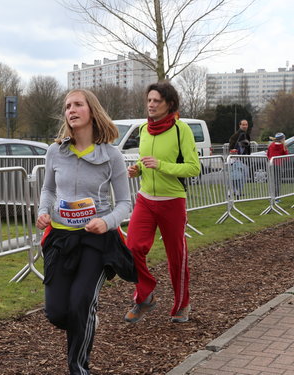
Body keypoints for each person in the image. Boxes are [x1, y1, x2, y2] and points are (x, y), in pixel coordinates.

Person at [36, 89, 137, 375]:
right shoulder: (55, 151)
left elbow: (125, 203)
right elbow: (48, 189)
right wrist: (43, 211)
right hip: (61, 238)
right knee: (57, 313)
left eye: (78, 104)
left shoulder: (112, 155)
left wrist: (106, 222)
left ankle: (78, 368)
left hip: (96, 241)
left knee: (80, 301)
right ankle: (86, 320)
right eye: (67, 106)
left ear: (91, 110)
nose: (71, 110)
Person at [124, 81, 200, 324]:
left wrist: (161, 166)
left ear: (170, 104)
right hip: (145, 199)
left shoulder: (182, 130)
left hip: (172, 201)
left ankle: (182, 304)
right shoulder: (144, 130)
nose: (151, 104)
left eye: (157, 101)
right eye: (149, 100)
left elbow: (193, 168)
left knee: (176, 256)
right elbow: (146, 163)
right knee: (132, 247)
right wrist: (137, 170)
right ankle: (145, 296)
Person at [267, 132, 288, 202]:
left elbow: (268, 154)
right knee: (277, 182)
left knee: (271, 181)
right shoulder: (283, 146)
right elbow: (286, 156)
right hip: (278, 165)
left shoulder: (271, 145)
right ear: (282, 139)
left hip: (270, 164)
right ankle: (276, 198)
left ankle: (271, 197)